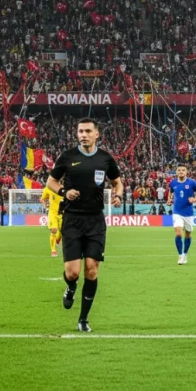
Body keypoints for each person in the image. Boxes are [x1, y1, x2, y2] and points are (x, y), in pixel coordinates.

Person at [46, 118, 123, 333]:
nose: (83, 135)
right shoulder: (68, 157)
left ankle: (83, 319)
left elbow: (117, 181)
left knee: (92, 269)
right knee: (72, 273)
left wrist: (117, 195)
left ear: (97, 134)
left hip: (95, 220)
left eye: (88, 131)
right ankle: (70, 288)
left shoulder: (105, 159)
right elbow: (50, 182)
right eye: (80, 131)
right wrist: (63, 192)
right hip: (72, 219)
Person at [167, 165, 196, 265]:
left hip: (189, 213)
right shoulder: (173, 183)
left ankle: (185, 253)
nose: (181, 172)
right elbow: (170, 192)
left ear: (186, 172)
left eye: (183, 170)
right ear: (176, 172)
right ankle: (180, 255)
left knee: (188, 234)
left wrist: (194, 199)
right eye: (179, 170)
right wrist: (169, 199)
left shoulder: (192, 182)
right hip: (177, 212)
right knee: (178, 233)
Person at [41, 180, 65, 257]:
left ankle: (57, 241)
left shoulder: (64, 188)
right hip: (52, 213)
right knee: (54, 230)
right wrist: (46, 208)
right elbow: (42, 199)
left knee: (62, 232)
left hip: (62, 213)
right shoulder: (48, 188)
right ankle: (53, 251)